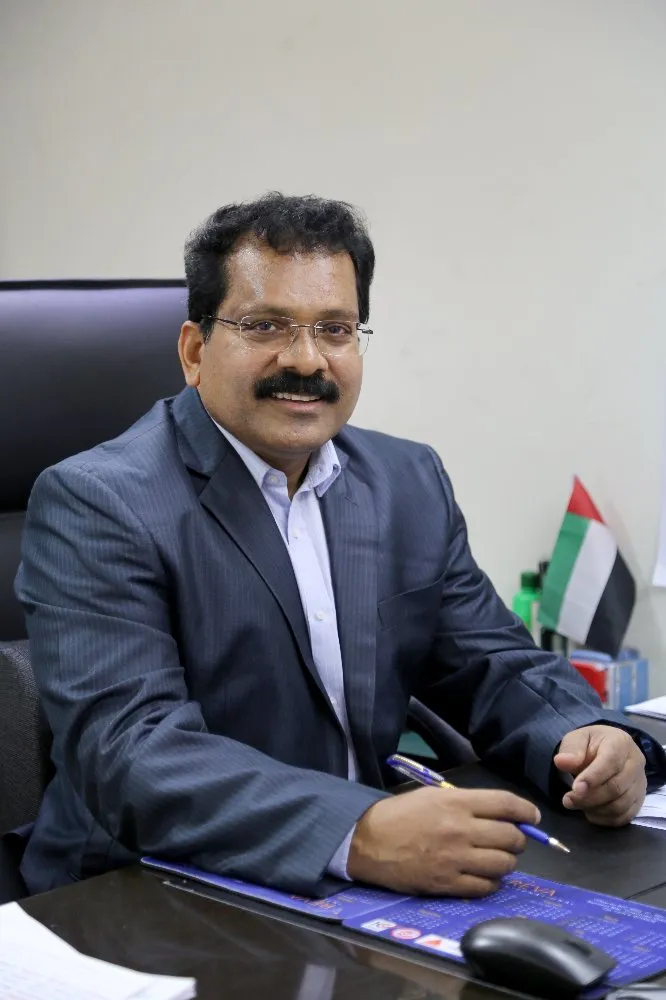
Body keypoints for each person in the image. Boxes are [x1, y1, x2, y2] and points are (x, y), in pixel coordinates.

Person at [16, 193, 665, 898]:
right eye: (266, 325)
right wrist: (357, 831)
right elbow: (131, 754)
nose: (305, 359)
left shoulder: (406, 481)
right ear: (196, 351)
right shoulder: (98, 501)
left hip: (369, 878)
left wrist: (594, 738)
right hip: (150, 889)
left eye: (336, 328)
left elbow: (492, 663)